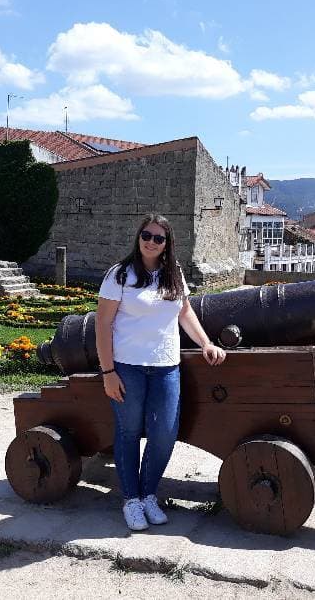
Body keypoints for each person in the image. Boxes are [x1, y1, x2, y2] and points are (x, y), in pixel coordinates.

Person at [96, 213, 226, 531]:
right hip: (128, 366)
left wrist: (206, 343)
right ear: (138, 237)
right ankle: (131, 499)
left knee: (165, 433)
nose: (151, 242)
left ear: (167, 244)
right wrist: (108, 372)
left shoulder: (173, 274)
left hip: (166, 366)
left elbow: (184, 312)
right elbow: (103, 323)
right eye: (146, 235)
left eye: (158, 238)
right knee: (128, 433)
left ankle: (149, 494)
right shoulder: (120, 274)